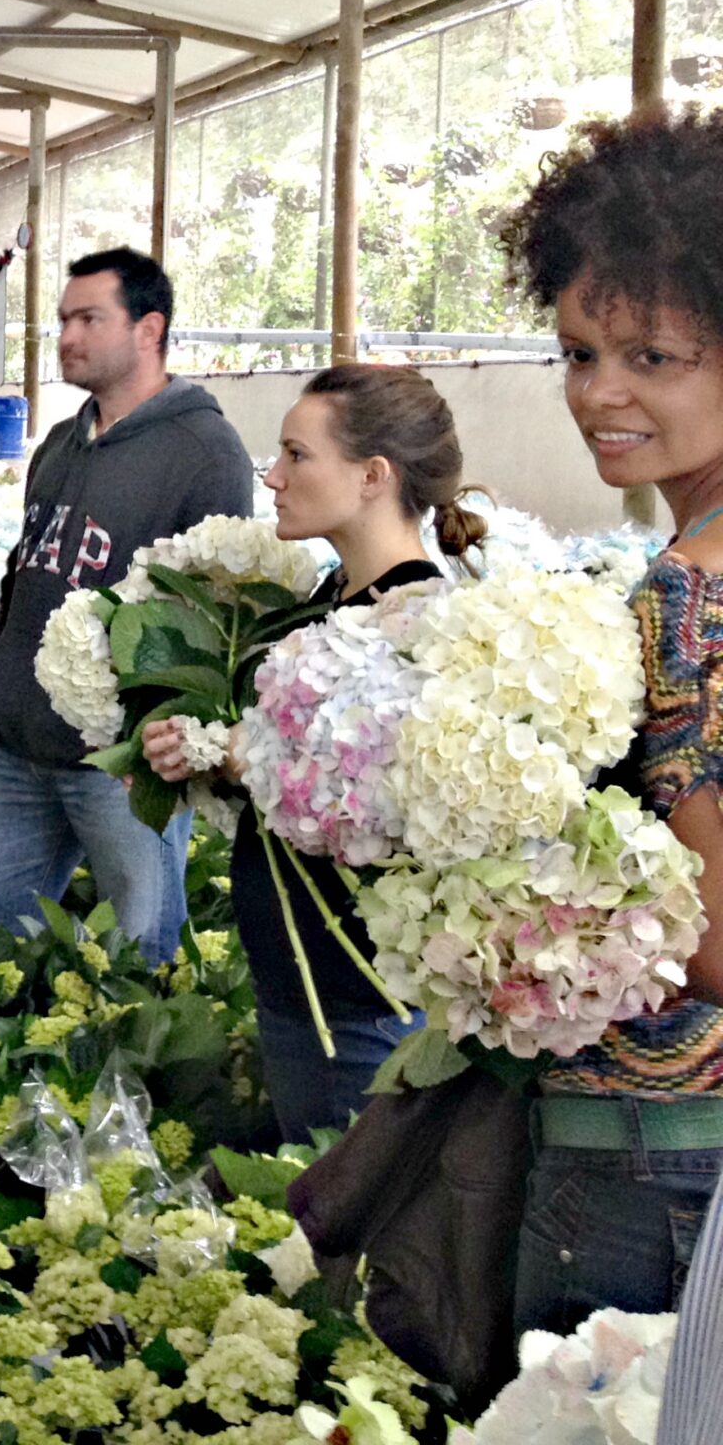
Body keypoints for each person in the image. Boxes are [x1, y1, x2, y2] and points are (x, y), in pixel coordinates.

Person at [493, 105, 723, 1337]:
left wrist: (515, 900)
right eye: (580, 354)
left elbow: (714, 942)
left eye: (650, 358)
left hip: (650, 1154)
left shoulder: (689, 595)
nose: (600, 396)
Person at [146, 365, 484, 1140]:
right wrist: (204, 755)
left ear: (372, 476)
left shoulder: (420, 632)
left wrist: (247, 758)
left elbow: (386, 822)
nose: (271, 476)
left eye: (298, 455)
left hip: (363, 1005)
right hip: (300, 987)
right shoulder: (326, 603)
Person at [0, 246, 253, 965]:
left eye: (89, 318)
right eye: (64, 319)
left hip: (121, 764)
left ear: (148, 329)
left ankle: (137, 1073)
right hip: (23, 746)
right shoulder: (59, 442)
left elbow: (218, 618)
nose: (67, 336)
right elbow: (23, 571)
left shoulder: (206, 453)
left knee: (142, 941)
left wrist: (158, 735)